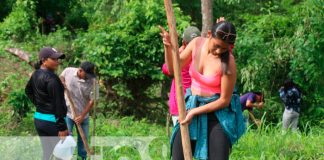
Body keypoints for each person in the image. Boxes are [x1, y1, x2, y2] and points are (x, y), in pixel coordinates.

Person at [160, 19, 245, 160]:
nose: (219, 51)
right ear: (209, 34)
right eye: (217, 46)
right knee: (178, 156)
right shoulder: (196, 43)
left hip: (217, 116)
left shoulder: (228, 62)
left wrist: (195, 111)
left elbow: (224, 100)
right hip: (190, 107)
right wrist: (168, 47)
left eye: (224, 48)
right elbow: (173, 69)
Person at [25, 47, 68, 160]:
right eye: (54, 59)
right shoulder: (52, 79)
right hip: (52, 122)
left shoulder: (36, 74)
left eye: (58, 59)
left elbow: (28, 91)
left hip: (39, 119)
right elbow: (58, 104)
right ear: (44, 60)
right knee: (62, 154)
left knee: (47, 152)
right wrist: (62, 127)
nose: (57, 61)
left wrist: (40, 104)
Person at [162, 26, 201, 126]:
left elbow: (166, 69)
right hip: (197, 106)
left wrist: (176, 51)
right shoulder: (203, 58)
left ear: (184, 43)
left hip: (180, 107)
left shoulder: (181, 59)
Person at [60, 61, 98, 160]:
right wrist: (62, 82)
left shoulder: (94, 81)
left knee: (83, 139)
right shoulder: (68, 71)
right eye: (87, 74)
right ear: (80, 70)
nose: (89, 77)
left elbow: (92, 100)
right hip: (68, 113)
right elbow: (61, 77)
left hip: (83, 116)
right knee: (68, 138)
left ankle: (82, 158)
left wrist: (82, 116)